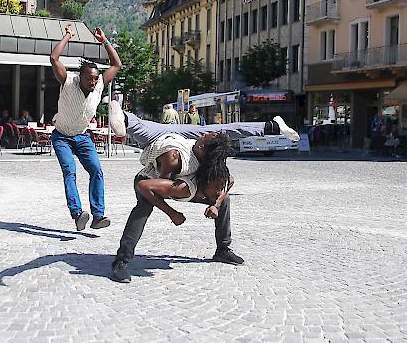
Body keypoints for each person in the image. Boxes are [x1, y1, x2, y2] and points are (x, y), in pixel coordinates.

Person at [112, 133, 241, 283]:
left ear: (202, 147)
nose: (204, 133)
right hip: (152, 181)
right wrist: (171, 213)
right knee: (144, 207)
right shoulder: (174, 157)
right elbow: (146, 187)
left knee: (224, 200)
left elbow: (229, 181)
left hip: (185, 184)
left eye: (207, 135)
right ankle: (121, 261)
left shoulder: (212, 158)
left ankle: (223, 250)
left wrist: (216, 205)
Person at [50, 24, 123, 231]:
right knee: (69, 171)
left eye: (96, 78)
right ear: (80, 76)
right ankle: (78, 213)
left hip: (82, 136)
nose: (93, 81)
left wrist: (104, 41)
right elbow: (54, 58)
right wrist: (67, 36)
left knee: (97, 171)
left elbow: (116, 64)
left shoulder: (99, 84)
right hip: (62, 136)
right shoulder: (67, 80)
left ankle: (98, 216)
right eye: (89, 78)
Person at [109, 100, 300, 148]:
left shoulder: (147, 127)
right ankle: (271, 127)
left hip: (170, 133)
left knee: (218, 131)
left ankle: (272, 126)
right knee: (217, 131)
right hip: (168, 134)